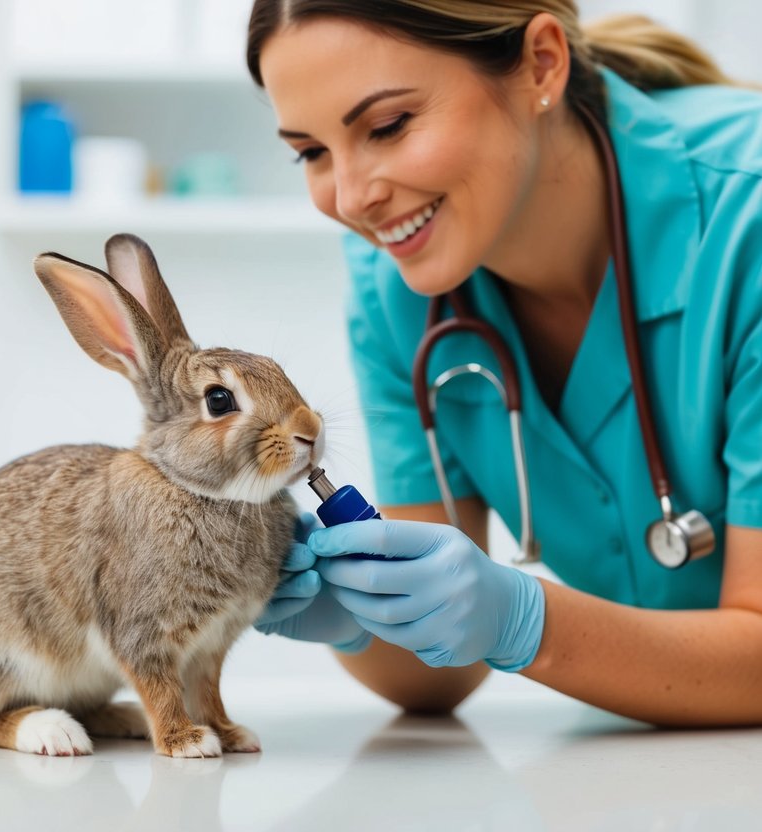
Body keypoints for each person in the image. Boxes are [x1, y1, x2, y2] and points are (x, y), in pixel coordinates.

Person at [247, 0, 762, 727]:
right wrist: (352, 608)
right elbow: (435, 681)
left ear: (542, 63)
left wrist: (527, 622)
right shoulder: (393, 292)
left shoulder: (749, 217)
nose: (353, 196)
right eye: (312, 152)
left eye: (388, 126)